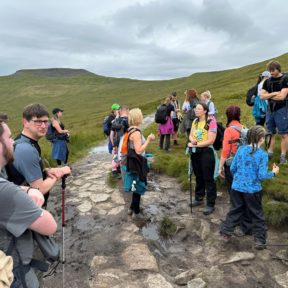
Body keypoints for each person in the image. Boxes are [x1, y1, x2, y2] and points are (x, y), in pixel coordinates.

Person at [0, 120, 57, 288]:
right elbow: (49, 226)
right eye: (9, 137)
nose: (13, 141)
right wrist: (27, 193)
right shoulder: (5, 191)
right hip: (14, 275)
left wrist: (24, 190)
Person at [220, 125, 279, 248]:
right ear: (262, 139)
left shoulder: (241, 149)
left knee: (235, 209)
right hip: (253, 190)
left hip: (236, 188)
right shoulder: (262, 155)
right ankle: (260, 240)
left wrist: (239, 178)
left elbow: (232, 168)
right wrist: (273, 172)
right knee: (257, 214)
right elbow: (262, 176)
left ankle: (226, 232)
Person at [8, 103, 71, 202]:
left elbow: (23, 172)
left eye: (46, 121)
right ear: (25, 122)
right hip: (26, 209)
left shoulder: (23, 141)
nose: (43, 126)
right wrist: (61, 172)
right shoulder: (26, 149)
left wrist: (45, 171)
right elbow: (39, 189)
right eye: (38, 121)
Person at [218, 106, 252, 235]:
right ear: (239, 115)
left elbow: (226, 151)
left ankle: (237, 223)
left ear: (227, 116)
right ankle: (247, 224)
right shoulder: (244, 128)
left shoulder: (228, 130)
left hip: (232, 166)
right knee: (244, 194)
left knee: (235, 195)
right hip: (245, 166)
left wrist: (220, 167)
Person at [124, 108, 155, 219]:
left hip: (133, 162)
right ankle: (136, 213)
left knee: (136, 185)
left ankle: (131, 208)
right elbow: (138, 150)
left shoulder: (130, 129)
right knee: (138, 187)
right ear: (138, 118)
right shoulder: (136, 133)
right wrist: (149, 140)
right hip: (137, 163)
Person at [188, 103, 217, 215]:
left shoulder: (211, 122)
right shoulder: (195, 121)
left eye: (199, 108)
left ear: (205, 111)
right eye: (196, 108)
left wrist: (196, 144)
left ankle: (210, 203)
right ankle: (199, 198)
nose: (196, 110)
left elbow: (211, 140)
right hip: (195, 152)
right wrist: (192, 140)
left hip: (206, 152)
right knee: (198, 175)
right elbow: (190, 135)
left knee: (208, 177)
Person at [260, 60, 288, 164]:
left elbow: (282, 97)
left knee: (284, 134)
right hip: (270, 110)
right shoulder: (267, 81)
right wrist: (275, 93)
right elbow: (262, 96)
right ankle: (269, 153)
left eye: (273, 70)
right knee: (270, 132)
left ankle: (283, 156)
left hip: (282, 110)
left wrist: (269, 95)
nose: (271, 72)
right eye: (269, 70)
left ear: (278, 69)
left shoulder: (285, 78)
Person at [111, 105, 129, 178]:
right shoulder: (127, 120)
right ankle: (126, 175)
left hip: (118, 142)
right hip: (126, 142)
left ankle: (119, 173)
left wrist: (113, 145)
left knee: (120, 158)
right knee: (125, 159)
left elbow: (112, 134)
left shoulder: (116, 120)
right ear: (127, 111)